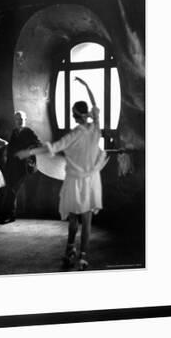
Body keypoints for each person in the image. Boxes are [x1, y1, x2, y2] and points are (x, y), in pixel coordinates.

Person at [17, 77, 107, 270]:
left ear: (75, 116)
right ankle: (82, 256)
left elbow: (53, 147)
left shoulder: (74, 135)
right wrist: (87, 85)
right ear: (87, 114)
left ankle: (70, 248)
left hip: (75, 181)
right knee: (87, 219)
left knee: (73, 219)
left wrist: (29, 152)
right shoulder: (95, 128)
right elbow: (96, 106)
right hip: (91, 180)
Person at [0, 111, 41, 224]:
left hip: (23, 166)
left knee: (11, 190)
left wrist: (27, 152)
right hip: (12, 166)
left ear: (25, 119)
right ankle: (11, 215)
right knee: (10, 190)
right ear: (14, 120)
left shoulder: (28, 132)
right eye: (17, 119)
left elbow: (38, 144)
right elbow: (11, 147)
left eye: (21, 119)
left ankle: (4, 216)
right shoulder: (14, 131)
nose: (19, 121)